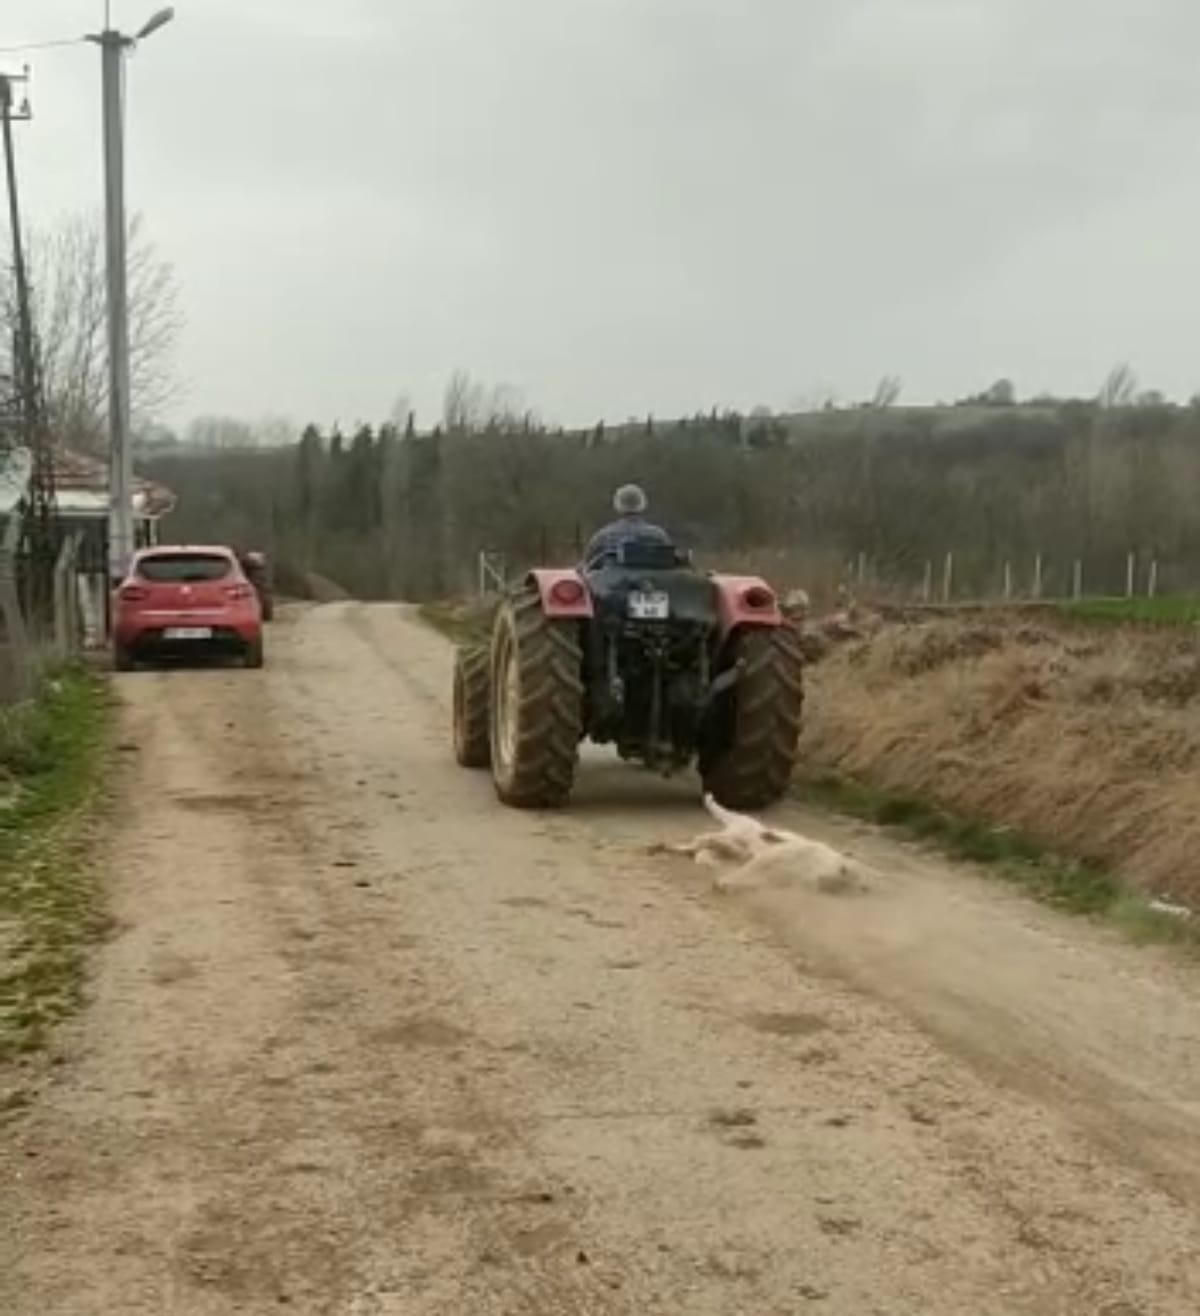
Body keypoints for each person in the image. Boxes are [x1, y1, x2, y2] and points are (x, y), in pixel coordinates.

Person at [583, 484, 671, 568]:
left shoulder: (602, 537)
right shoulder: (658, 535)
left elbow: (587, 566)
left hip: (611, 582)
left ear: (617, 504)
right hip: (652, 582)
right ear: (642, 503)